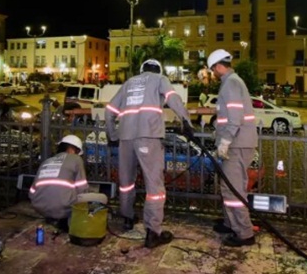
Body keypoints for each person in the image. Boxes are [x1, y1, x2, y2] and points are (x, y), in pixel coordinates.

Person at [104, 58, 194, 249]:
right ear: (158, 69)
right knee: (154, 186)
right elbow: (172, 97)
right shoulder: (160, 79)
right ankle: (153, 232)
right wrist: (186, 121)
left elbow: (110, 109)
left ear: (141, 69)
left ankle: (127, 218)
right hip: (148, 136)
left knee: (126, 183)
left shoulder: (129, 82)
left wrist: (112, 135)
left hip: (126, 137)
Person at [206, 49, 257, 247]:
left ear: (219, 66)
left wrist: (225, 141)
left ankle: (244, 233)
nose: (213, 73)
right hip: (238, 142)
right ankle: (231, 223)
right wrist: (219, 134)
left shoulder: (231, 84)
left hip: (237, 144)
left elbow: (235, 118)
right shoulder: (231, 83)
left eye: (212, 70)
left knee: (232, 190)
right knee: (229, 186)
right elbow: (228, 117)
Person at [29, 135, 108, 231]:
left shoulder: (46, 161)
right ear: (72, 149)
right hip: (62, 207)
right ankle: (71, 220)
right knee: (103, 198)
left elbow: (32, 192)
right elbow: (82, 188)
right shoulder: (76, 159)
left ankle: (54, 218)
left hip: (39, 207)